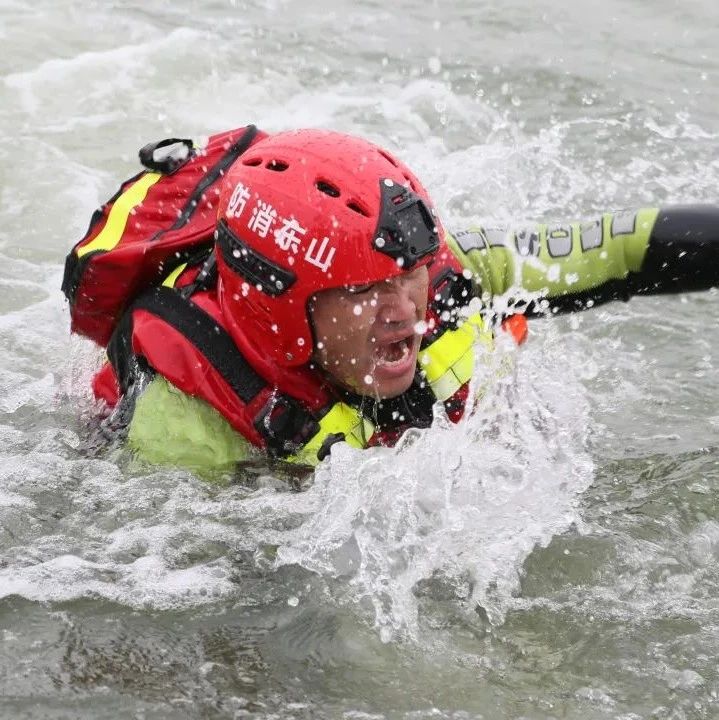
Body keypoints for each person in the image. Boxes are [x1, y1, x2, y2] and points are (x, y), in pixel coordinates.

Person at [78, 128, 719, 472]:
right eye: (364, 290)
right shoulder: (185, 428)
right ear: (285, 312)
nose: (409, 310)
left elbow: (621, 250)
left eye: (410, 272)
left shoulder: (439, 269)